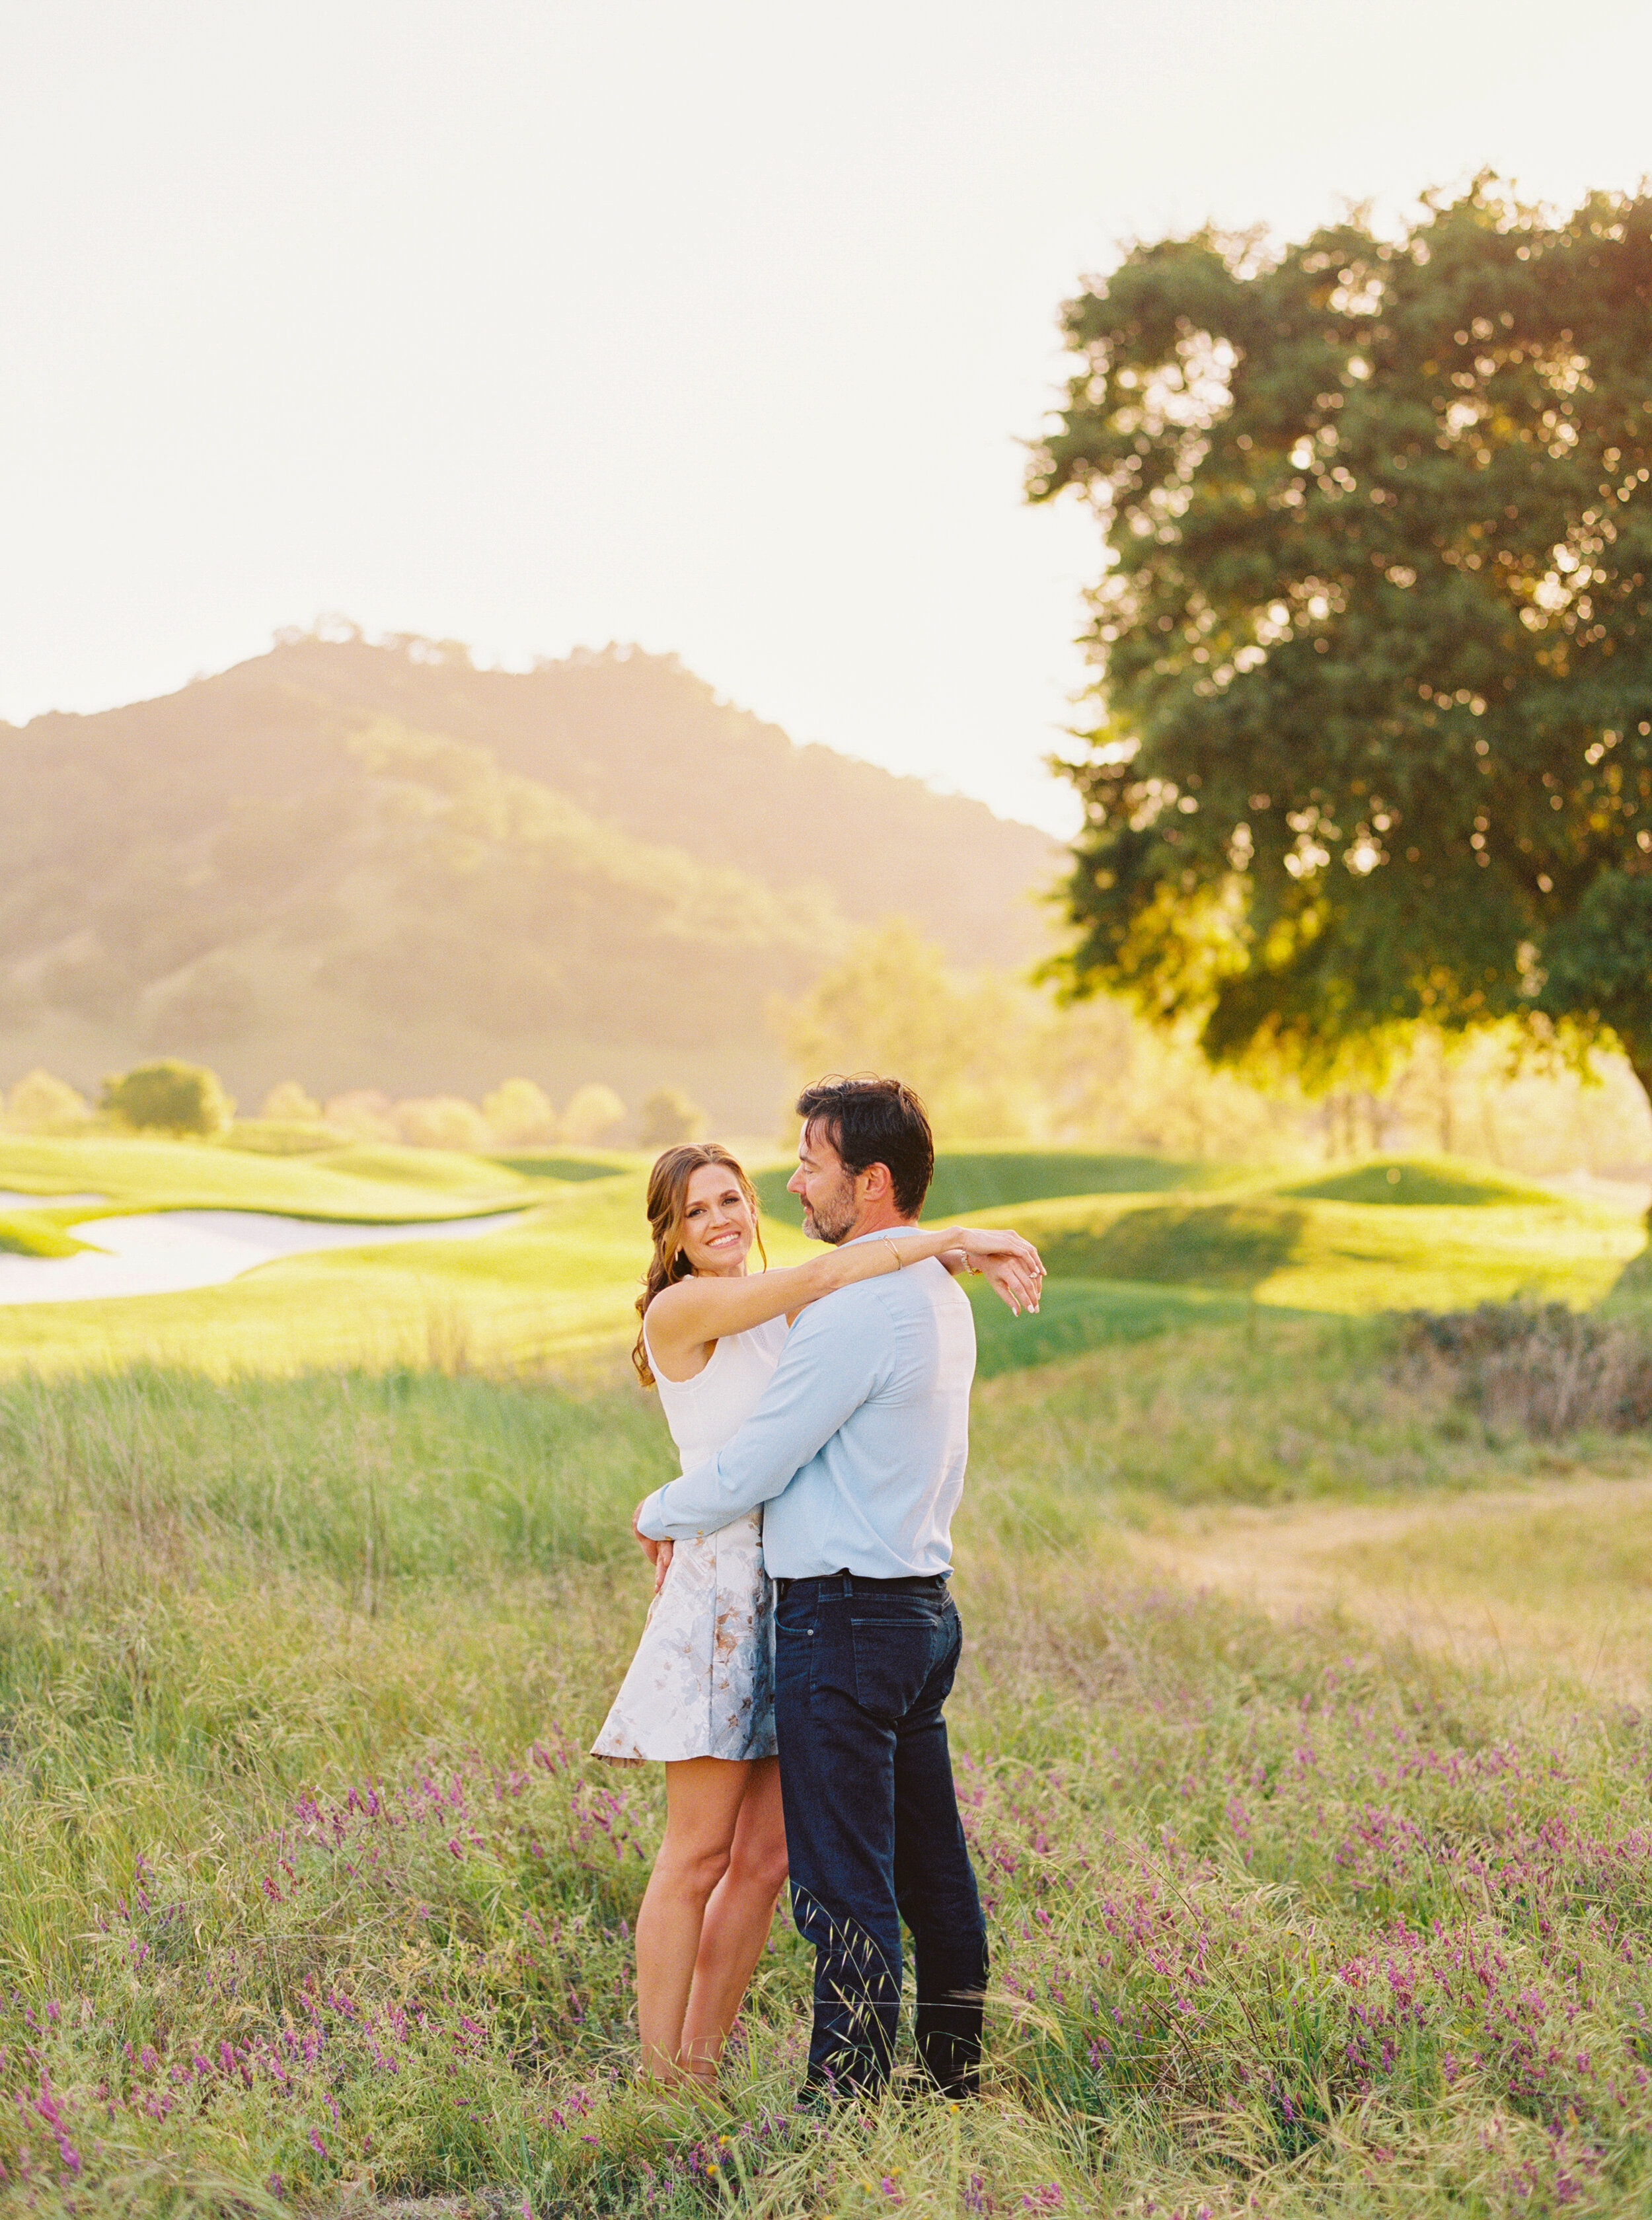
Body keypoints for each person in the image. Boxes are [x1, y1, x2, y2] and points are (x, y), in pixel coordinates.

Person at [595, 1136, 1043, 2084]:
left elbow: (859, 1283)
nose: (721, 1220)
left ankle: (702, 2063)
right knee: (697, 1853)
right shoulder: (691, 1307)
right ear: (671, 1235)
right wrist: (962, 1234)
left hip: (798, 1598)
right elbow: (846, 1264)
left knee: (764, 1864)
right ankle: (655, 2077)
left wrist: (947, 1257)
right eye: (697, 1210)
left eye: (733, 1200)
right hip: (723, 1597)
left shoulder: (790, 1316)